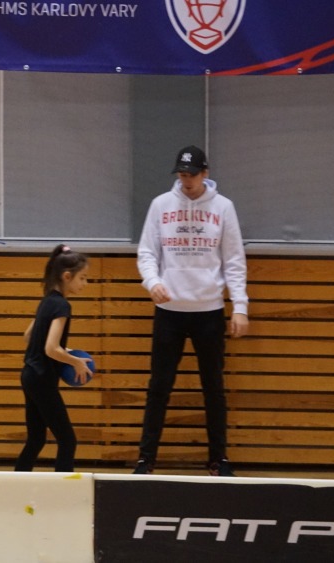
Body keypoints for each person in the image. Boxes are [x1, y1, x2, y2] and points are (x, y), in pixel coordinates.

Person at [133, 145, 249, 477]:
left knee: (213, 387)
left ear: (205, 174)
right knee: (159, 387)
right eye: (182, 175)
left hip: (208, 310)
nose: (186, 181)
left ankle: (218, 459)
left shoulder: (223, 207)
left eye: (192, 175)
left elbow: (234, 260)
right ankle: (146, 459)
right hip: (169, 310)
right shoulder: (161, 205)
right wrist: (152, 282)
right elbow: (146, 252)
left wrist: (239, 306)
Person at [14, 245, 91, 473]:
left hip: (30, 375)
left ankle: (16, 484)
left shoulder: (47, 300)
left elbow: (29, 336)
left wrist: (64, 350)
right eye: (82, 278)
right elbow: (50, 349)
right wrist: (75, 361)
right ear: (67, 276)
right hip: (42, 380)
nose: (85, 283)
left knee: (36, 439)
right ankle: (63, 489)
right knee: (68, 440)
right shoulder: (62, 305)